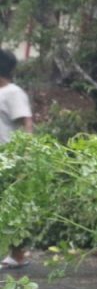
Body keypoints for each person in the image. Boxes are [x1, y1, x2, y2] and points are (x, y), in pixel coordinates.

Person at [0, 49, 33, 270]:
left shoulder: (13, 92)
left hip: (9, 160)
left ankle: (18, 255)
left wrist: (27, 156)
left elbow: (26, 122)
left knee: (12, 207)